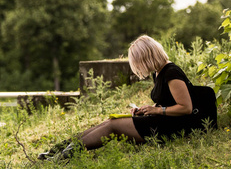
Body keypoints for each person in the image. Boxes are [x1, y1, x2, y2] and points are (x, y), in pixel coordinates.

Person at [40, 35, 214, 160]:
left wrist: (156, 110)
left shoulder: (172, 72)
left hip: (175, 126)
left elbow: (186, 107)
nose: (138, 67)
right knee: (108, 122)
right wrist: (146, 110)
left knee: (113, 126)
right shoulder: (159, 72)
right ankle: (58, 150)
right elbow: (167, 102)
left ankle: (63, 156)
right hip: (165, 121)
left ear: (147, 57)